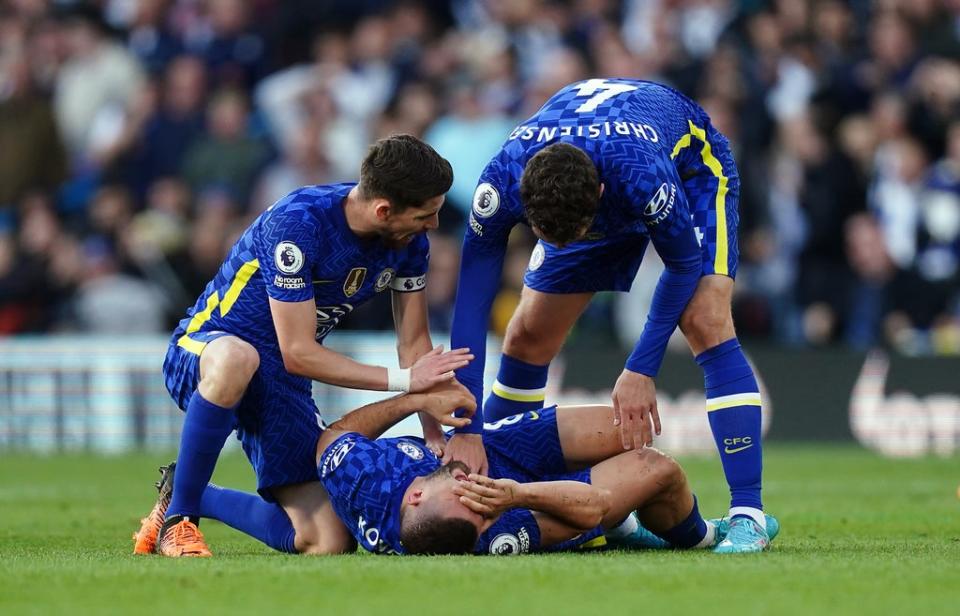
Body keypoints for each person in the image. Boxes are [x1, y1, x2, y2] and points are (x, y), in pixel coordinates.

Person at [449, 78, 771, 552]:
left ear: (598, 196)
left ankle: (749, 516)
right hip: (588, 173)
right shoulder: (501, 180)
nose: (564, 247)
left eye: (575, 234)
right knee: (526, 336)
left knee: (705, 318)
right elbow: (471, 307)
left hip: (689, 170)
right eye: (546, 236)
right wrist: (466, 430)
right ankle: (503, 489)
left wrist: (641, 367)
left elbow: (682, 264)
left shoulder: (640, 173)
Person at [133, 135, 473, 557]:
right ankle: (180, 522)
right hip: (206, 348)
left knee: (326, 541)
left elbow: (414, 342)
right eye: (426, 214)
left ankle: (187, 491)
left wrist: (433, 431)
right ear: (384, 210)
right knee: (240, 357)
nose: (433, 226)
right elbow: (298, 352)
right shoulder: (299, 224)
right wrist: (403, 381)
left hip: (279, 383)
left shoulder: (409, 244)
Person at [317, 392, 780, 556]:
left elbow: (331, 435)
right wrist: (515, 495)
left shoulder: (363, 480)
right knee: (653, 467)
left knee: (630, 427)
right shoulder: (492, 526)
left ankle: (628, 529)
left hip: (499, 446)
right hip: (529, 498)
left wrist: (413, 400)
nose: (476, 492)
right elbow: (591, 507)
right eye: (479, 509)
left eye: (466, 494)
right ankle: (705, 535)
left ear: (415, 496)